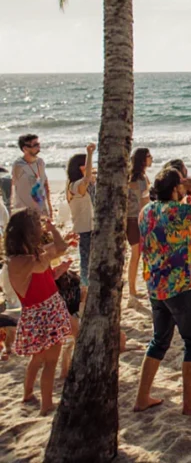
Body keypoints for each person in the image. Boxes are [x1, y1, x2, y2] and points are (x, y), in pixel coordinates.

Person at [133, 169, 191, 416]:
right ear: (175, 189)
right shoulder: (178, 211)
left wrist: (188, 190)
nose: (185, 190)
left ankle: (142, 397)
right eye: (182, 187)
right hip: (181, 285)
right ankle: (190, 404)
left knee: (159, 340)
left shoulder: (146, 211)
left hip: (155, 284)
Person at [3, 209, 74, 415]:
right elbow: (44, 264)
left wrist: (53, 231)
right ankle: (46, 405)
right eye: (37, 225)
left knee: (39, 359)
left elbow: (60, 249)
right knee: (50, 362)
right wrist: (51, 242)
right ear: (27, 232)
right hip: (43, 313)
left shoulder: (26, 256)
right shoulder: (19, 261)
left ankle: (27, 393)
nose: (40, 228)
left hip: (48, 309)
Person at [65, 144, 95, 310]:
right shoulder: (75, 185)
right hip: (84, 229)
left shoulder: (79, 185)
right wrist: (89, 153)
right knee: (85, 263)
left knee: (89, 261)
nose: (90, 167)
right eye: (86, 164)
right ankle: (84, 295)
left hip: (88, 227)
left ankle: (87, 292)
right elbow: (87, 177)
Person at [127, 148, 153, 299]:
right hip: (135, 219)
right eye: (149, 156)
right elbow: (142, 200)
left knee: (140, 254)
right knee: (136, 254)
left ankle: (135, 287)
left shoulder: (141, 177)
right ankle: (132, 289)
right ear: (143, 159)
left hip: (139, 218)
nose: (152, 159)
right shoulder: (137, 179)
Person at [11, 134, 52, 218]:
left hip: (41, 209)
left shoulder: (40, 162)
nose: (38, 147)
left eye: (38, 144)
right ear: (25, 149)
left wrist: (49, 206)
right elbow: (13, 185)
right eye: (35, 145)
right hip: (24, 210)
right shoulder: (18, 165)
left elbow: (45, 183)